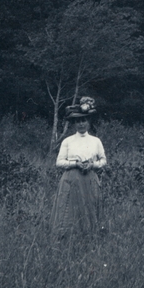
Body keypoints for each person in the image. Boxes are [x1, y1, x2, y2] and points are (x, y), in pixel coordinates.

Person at [51, 97, 107, 237]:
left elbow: (103, 160)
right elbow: (59, 162)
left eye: (84, 120)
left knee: (91, 209)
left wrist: (92, 164)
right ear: (74, 123)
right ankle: (67, 238)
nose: (81, 124)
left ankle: (90, 237)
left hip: (89, 179)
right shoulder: (68, 141)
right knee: (69, 211)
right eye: (78, 121)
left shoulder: (95, 141)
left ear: (89, 122)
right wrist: (75, 163)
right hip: (71, 179)